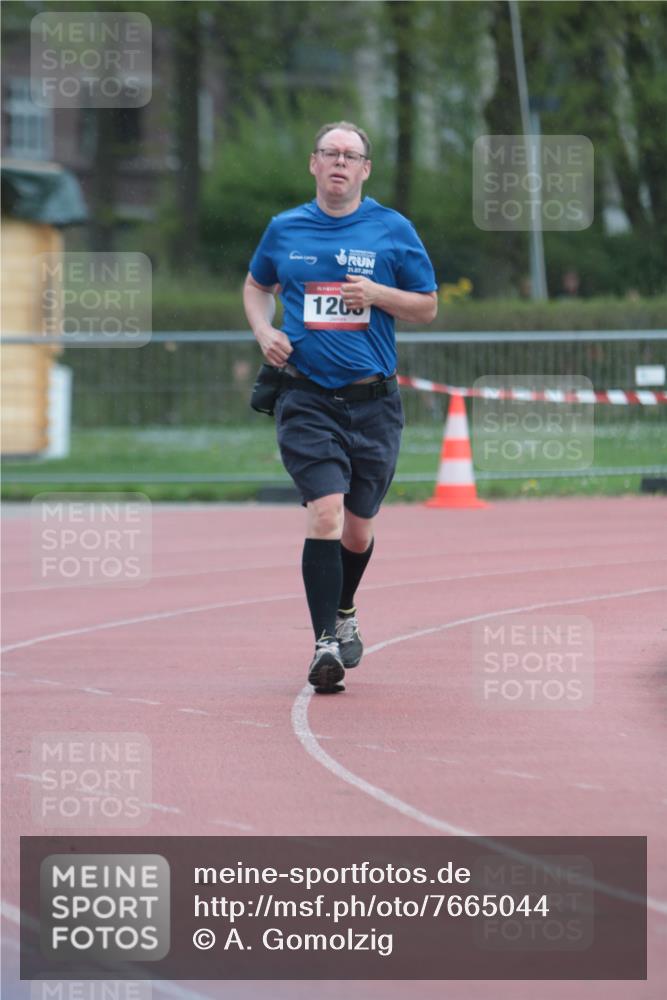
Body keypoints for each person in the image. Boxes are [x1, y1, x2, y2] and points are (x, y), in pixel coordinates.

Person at [243, 120, 437, 693]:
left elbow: (427, 307)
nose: (339, 162)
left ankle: (346, 608)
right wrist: (263, 330)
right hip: (306, 396)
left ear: (365, 170)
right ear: (313, 163)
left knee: (357, 529)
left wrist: (377, 294)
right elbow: (257, 285)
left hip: (373, 401)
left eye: (350, 155)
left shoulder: (392, 230)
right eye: (330, 152)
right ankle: (324, 641)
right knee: (324, 512)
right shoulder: (285, 229)